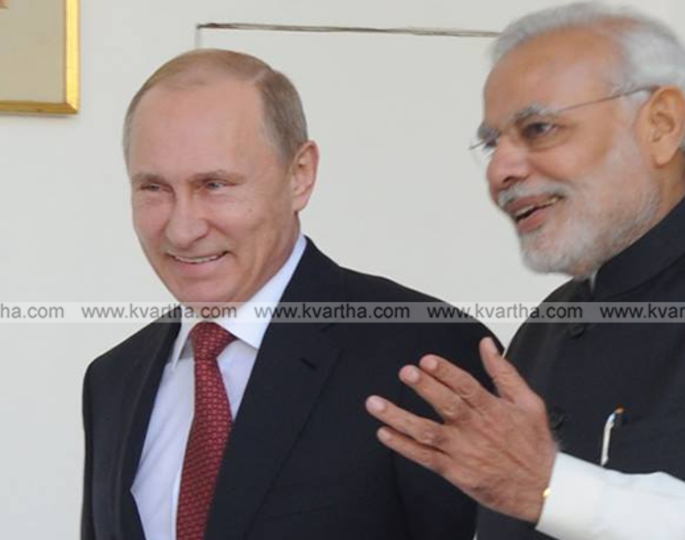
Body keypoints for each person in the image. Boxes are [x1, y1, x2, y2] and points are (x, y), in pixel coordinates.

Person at [365, 3, 685, 540]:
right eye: (492, 143)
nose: (501, 171)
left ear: (661, 126)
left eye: (539, 128)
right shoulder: (543, 329)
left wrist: (551, 487)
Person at [81, 49, 491, 540]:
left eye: (214, 185)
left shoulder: (424, 355)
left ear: (300, 176)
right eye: (153, 188)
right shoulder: (112, 380)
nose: (183, 228)